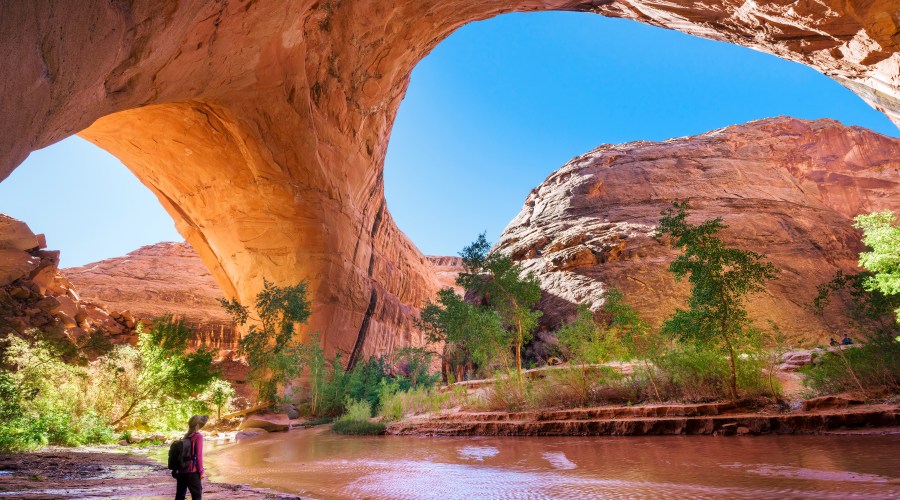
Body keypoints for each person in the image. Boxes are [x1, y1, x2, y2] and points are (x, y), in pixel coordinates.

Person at [175, 414, 208, 500]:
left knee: (180, 495)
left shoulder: (186, 436)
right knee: (197, 495)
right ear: (197, 425)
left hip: (181, 471)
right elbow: (199, 456)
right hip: (192, 472)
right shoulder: (198, 436)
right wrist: (201, 471)